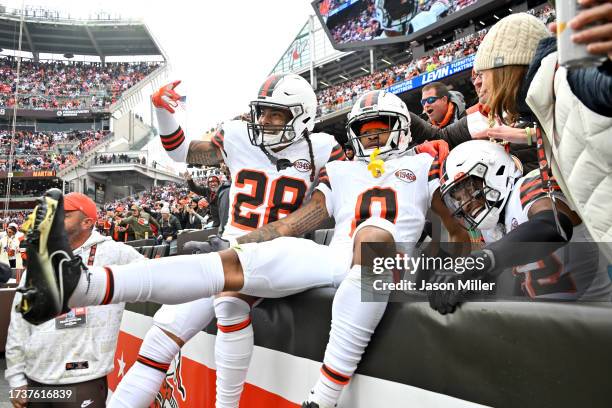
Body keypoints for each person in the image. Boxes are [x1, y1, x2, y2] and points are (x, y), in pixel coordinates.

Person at [16, 90, 466, 408]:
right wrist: (250, 241)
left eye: (379, 128)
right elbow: (300, 221)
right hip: (324, 255)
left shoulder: (425, 160)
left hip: (383, 264)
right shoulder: (341, 167)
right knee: (228, 264)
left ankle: (322, 398)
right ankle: (81, 284)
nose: (371, 137)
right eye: (363, 130)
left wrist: (462, 268)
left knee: (372, 239)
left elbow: (462, 227)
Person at [110, 73, 345, 408]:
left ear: (301, 114)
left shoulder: (323, 148)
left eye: (275, 113)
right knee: (158, 340)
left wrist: (249, 243)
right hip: (227, 248)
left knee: (230, 301)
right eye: (261, 111)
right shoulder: (237, 135)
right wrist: (163, 112)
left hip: (275, 256)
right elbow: (181, 152)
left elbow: (319, 210)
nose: (263, 120)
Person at [466, 11, 612, 261]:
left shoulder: (569, 81)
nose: (480, 84)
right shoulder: (549, 103)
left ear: (503, 66)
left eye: (483, 73)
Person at [426, 140, 611, 315]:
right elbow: (511, 275)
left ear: (495, 171)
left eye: (468, 188)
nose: (465, 204)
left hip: (597, 321)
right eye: (458, 198)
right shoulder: (492, 228)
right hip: (548, 326)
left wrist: (485, 258)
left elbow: (554, 224)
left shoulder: (529, 185)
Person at [5, 193, 143, 408]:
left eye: (65, 215)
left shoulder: (116, 254)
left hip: (82, 381)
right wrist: (16, 379)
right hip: (36, 381)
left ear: (87, 222)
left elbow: (158, 277)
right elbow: (18, 322)